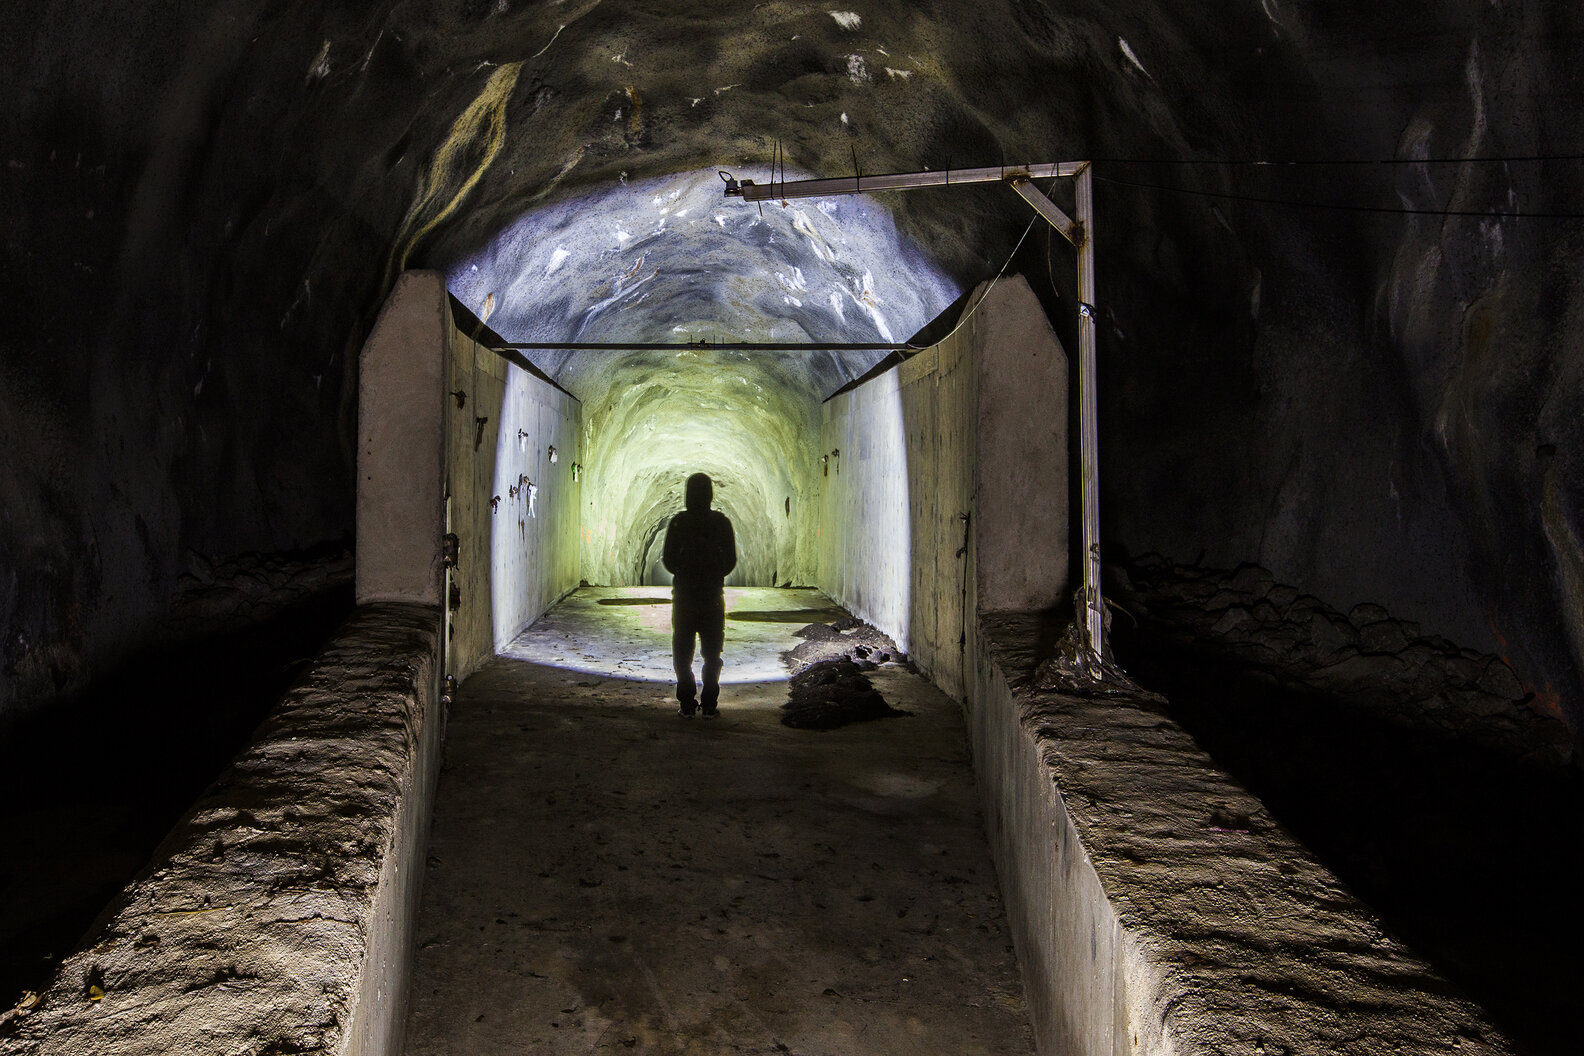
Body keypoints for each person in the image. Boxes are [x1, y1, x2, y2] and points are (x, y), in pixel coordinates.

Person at [662, 472, 737, 718]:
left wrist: (685, 572)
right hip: (712, 597)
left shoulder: (678, 522)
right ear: (710, 494)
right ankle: (709, 704)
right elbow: (730, 560)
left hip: (684, 597)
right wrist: (714, 575)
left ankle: (687, 703)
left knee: (682, 652)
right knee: (713, 653)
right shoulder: (721, 523)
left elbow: (668, 559)